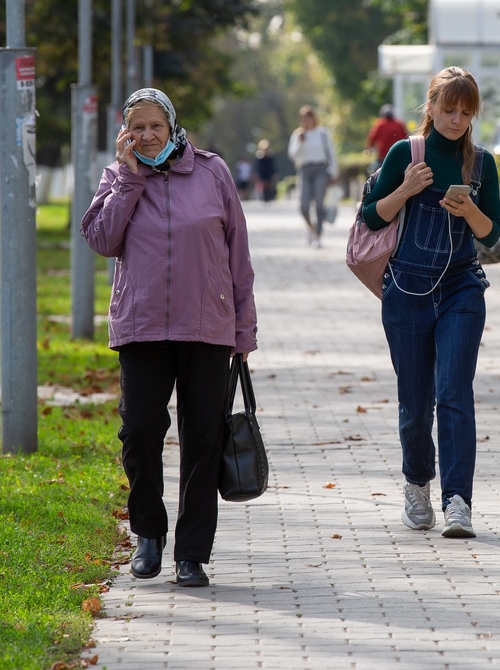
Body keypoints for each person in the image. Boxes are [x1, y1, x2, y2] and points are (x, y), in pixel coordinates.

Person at [81, 88, 258, 588]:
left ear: (172, 126)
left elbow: (238, 256)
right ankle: (148, 534)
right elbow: (100, 240)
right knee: (139, 432)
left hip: (206, 326)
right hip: (141, 327)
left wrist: (244, 328)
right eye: (136, 127)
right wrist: (129, 181)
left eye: (155, 126)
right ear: (124, 133)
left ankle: (192, 554)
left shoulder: (212, 172)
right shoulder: (118, 177)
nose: (146, 135)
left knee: (203, 439)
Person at [360, 66, 500, 539]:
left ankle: (458, 502)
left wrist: (471, 210)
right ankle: (417, 486)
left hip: (462, 287)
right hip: (406, 291)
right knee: (416, 403)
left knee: (454, 393)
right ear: (432, 107)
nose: (457, 120)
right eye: (449, 110)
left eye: (466, 112)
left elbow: (493, 233)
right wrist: (405, 188)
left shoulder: (481, 164)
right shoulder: (406, 152)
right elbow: (372, 217)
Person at [287, 105, 338, 247]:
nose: (306, 121)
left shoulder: (322, 133)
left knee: (319, 204)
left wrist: (334, 173)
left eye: (308, 118)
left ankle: (318, 235)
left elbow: (331, 154)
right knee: (303, 205)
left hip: (321, 169)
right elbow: (292, 155)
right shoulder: (298, 135)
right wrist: (300, 143)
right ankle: (311, 227)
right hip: (305, 169)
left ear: (313, 118)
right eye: (303, 118)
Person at [365, 103, 409, 172]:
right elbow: (407, 138)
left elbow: (372, 137)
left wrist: (369, 148)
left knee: (378, 176)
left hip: (384, 157)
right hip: (399, 156)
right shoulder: (399, 124)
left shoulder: (380, 124)